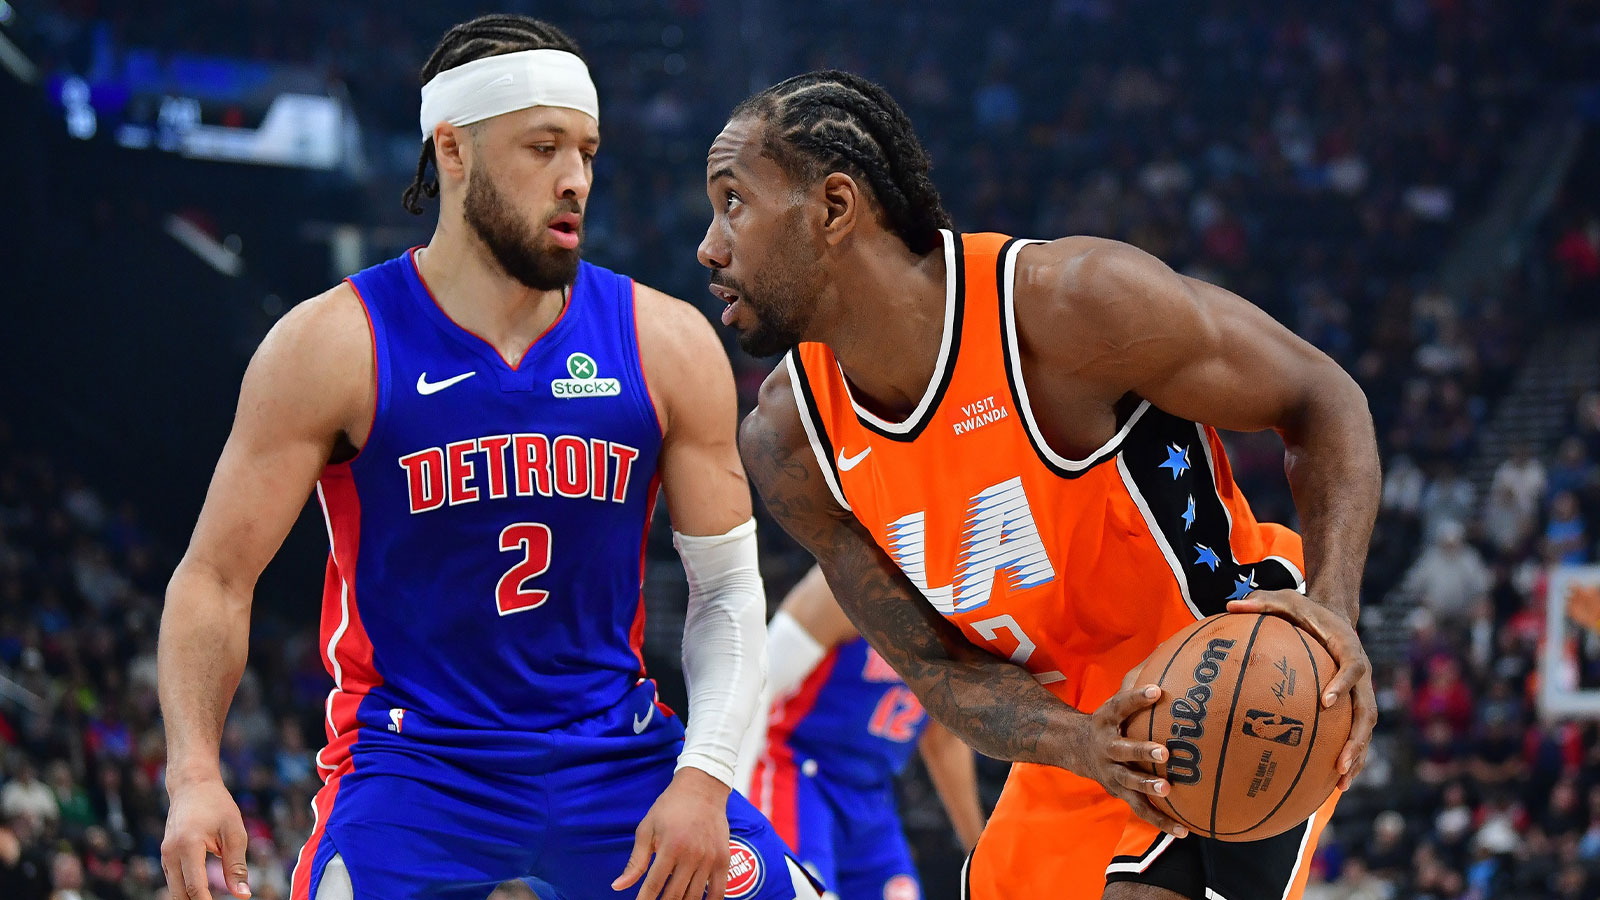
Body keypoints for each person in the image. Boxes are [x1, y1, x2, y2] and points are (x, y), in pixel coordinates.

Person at [158, 17, 818, 900]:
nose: (575, 178)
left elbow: (729, 593)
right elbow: (213, 581)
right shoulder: (331, 345)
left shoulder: (664, 342)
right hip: (416, 767)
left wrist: (704, 776)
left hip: (618, 754)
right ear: (453, 150)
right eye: (542, 148)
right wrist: (194, 773)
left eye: (585, 149)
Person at [698, 70, 1379, 900]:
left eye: (733, 201)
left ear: (835, 209)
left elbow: (1322, 398)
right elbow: (938, 670)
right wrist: (1081, 742)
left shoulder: (1068, 308)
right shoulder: (787, 441)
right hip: (1079, 742)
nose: (709, 245)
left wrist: (1334, 610)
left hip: (1228, 684)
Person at [740, 566, 985, 899]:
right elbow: (754, 683)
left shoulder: (971, 617)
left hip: (871, 794)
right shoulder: (855, 578)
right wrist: (728, 804)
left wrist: (980, 850)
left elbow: (944, 739)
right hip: (797, 772)